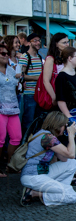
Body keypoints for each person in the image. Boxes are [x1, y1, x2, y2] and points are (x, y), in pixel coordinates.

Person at [20, 111, 76, 206]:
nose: (65, 128)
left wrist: (71, 136)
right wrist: (71, 135)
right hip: (33, 176)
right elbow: (71, 154)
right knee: (72, 196)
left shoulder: (47, 135)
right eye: (64, 125)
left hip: (41, 173)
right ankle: (34, 193)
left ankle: (57, 191)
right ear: (58, 125)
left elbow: (65, 159)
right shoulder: (47, 138)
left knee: (72, 163)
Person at [0, 44, 21, 177]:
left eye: (7, 53)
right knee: (0, 139)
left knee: (16, 138)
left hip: (13, 108)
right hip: (0, 109)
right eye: (3, 53)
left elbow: (15, 87)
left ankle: (10, 164)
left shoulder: (12, 70)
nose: (6, 55)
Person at [19, 34, 43, 133]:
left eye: (39, 40)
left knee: (38, 120)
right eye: (35, 41)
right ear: (29, 43)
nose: (38, 43)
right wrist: (37, 78)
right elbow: (21, 75)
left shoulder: (39, 57)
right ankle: (25, 144)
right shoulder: (25, 57)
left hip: (39, 93)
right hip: (29, 94)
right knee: (28, 121)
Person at [43, 33, 69, 109]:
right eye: (64, 43)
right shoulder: (50, 59)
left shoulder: (65, 58)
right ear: (56, 44)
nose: (67, 45)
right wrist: (54, 98)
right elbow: (46, 81)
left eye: (67, 42)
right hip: (57, 95)